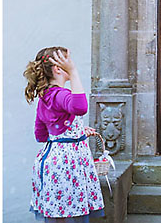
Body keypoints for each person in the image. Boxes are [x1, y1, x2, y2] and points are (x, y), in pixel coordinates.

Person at [24, 47, 104, 222]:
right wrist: (74, 72)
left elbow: (41, 135)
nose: (71, 63)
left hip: (51, 162)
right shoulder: (61, 94)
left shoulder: (45, 95)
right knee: (68, 215)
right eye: (68, 60)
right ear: (58, 68)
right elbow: (80, 108)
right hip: (66, 165)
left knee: (59, 215)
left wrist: (75, 132)